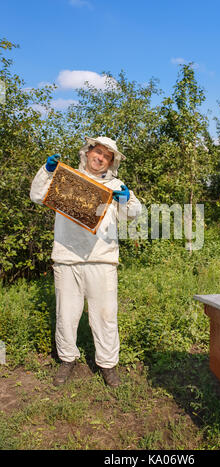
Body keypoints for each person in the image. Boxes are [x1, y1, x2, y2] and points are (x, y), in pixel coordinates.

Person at [30, 136, 142, 387]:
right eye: (98, 152)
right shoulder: (66, 179)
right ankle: (67, 359)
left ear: (111, 162)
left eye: (106, 156)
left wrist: (126, 200)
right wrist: (47, 172)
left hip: (102, 259)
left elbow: (134, 213)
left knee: (105, 316)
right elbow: (37, 195)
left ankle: (107, 365)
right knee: (66, 314)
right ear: (88, 152)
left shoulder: (116, 184)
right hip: (66, 257)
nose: (100, 158)